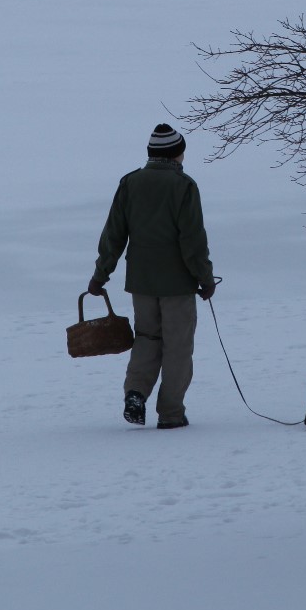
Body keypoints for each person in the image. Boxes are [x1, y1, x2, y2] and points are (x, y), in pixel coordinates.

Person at [88, 123, 215, 429]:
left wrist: (100, 275)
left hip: (142, 282)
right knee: (177, 346)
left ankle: (135, 392)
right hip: (177, 283)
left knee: (147, 338)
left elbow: (114, 235)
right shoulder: (184, 187)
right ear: (176, 154)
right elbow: (192, 240)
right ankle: (170, 414)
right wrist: (205, 278)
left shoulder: (130, 183)